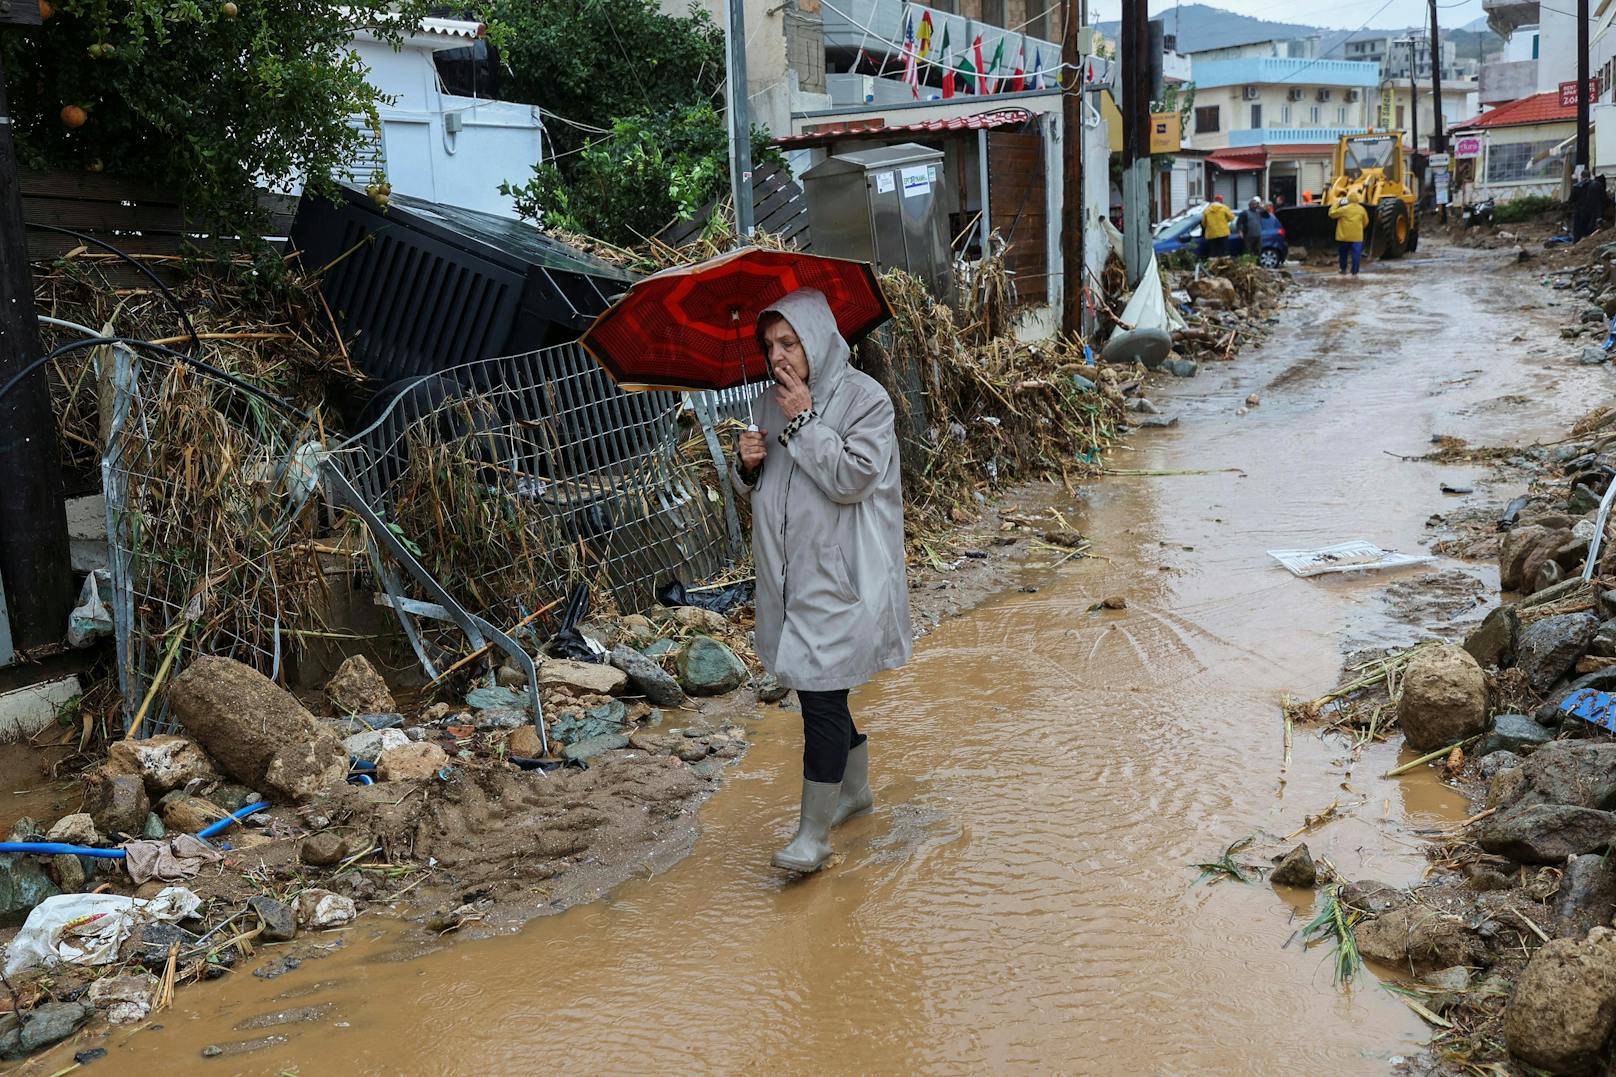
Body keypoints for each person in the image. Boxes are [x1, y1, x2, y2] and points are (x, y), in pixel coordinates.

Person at [731, 288, 913, 874]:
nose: (778, 355)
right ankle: (855, 794)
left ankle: (813, 838)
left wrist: (806, 419)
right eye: (768, 346)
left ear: (816, 339)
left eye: (789, 342)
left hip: (842, 576)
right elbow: (771, 494)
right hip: (789, 576)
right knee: (818, 687)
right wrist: (747, 466)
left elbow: (853, 479)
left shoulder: (868, 400)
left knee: (820, 696)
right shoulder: (766, 405)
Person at [1329, 194, 1369, 276]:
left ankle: (1343, 269)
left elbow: (1331, 214)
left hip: (1344, 237)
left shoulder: (1344, 209)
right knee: (1356, 255)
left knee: (1343, 254)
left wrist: (1337, 203)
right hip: (1357, 237)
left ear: (1348, 200)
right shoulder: (1361, 209)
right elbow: (1366, 222)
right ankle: (1355, 272)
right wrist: (1360, 228)